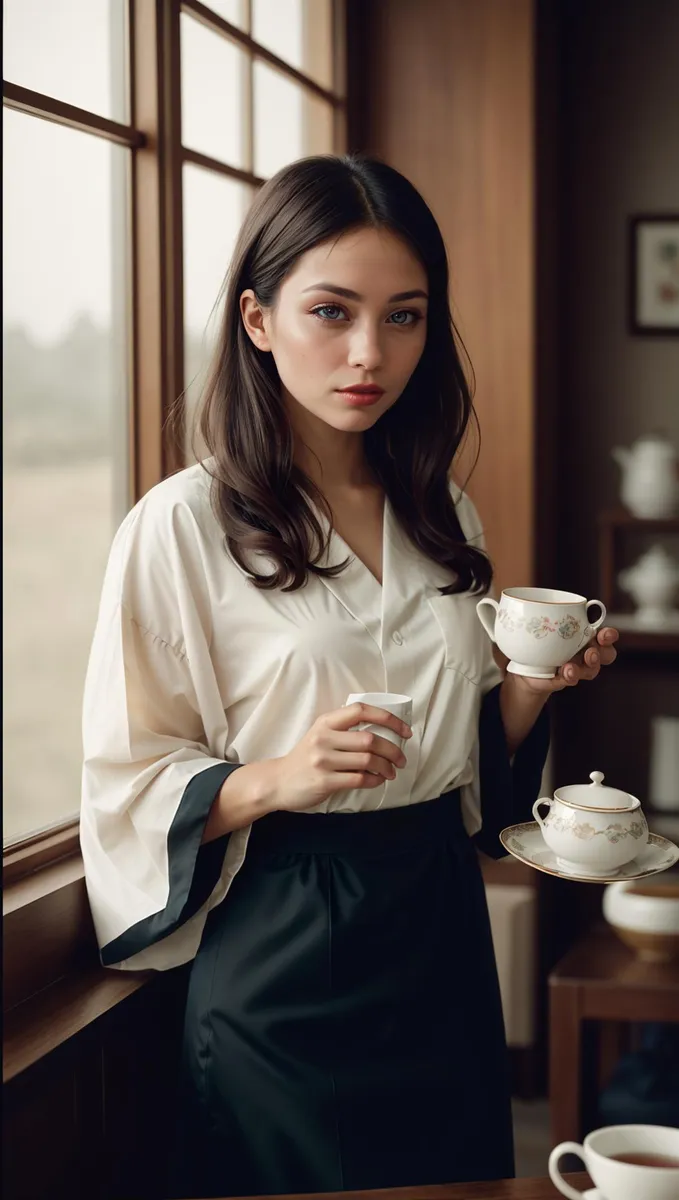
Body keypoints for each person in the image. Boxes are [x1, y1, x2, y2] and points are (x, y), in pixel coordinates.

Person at [80, 154, 619, 1198]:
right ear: (257, 318)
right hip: (283, 940)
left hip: (438, 929)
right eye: (331, 311)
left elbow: (465, 767)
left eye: (405, 316)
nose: (369, 353)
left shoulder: (439, 513)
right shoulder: (180, 527)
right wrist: (279, 776)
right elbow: (126, 774)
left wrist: (531, 689)